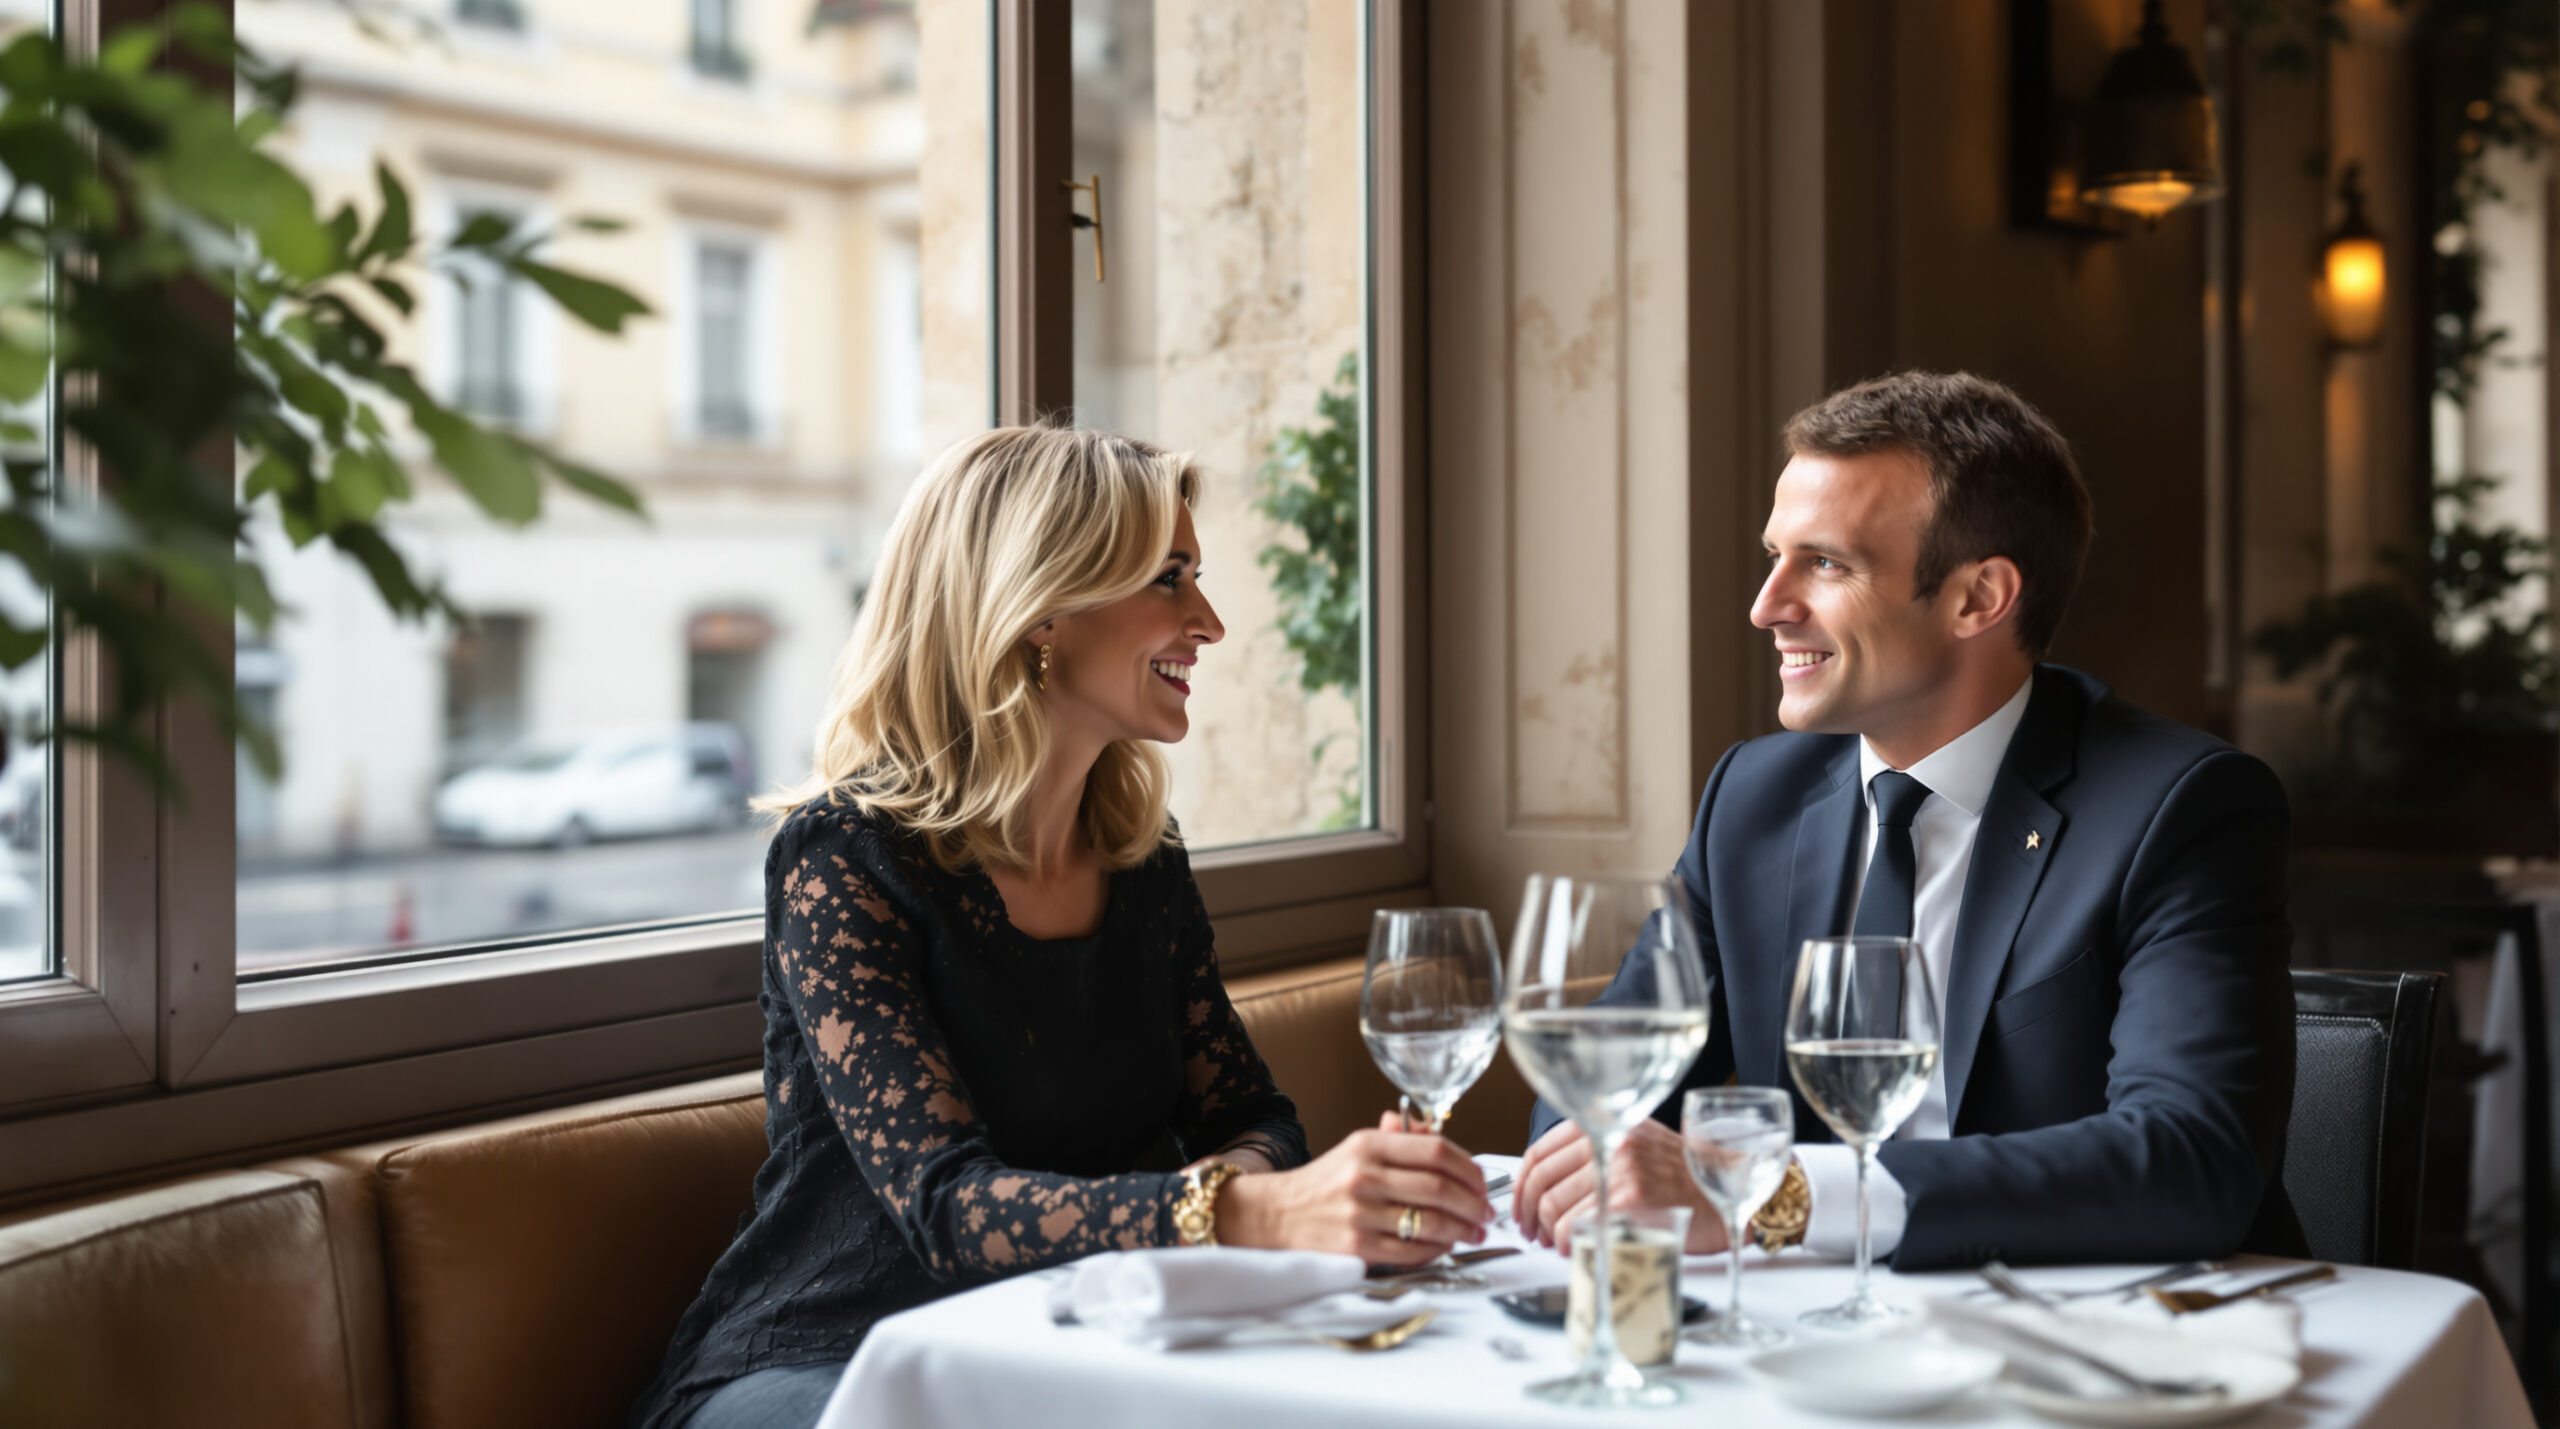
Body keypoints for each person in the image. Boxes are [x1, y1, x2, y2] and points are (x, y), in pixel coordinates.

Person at [630, 427, 1494, 1429]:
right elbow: (947, 1207)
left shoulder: (1142, 858)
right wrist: (1240, 1211)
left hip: (1079, 1338)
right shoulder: (844, 859)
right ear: (1041, 606)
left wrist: (1261, 1199)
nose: (1209, 622)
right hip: (839, 1358)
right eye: (1170, 578)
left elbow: (1255, 1117)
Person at [1515, 371, 2302, 1270]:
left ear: (1979, 598)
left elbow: (2192, 1159)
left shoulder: (2181, 808)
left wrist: (1779, 1193)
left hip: (2094, 1330)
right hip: (1807, 1323)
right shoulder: (1752, 799)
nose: (1767, 606)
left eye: (1825, 563)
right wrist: (1586, 1167)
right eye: (1774, 555)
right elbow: (1599, 1086)